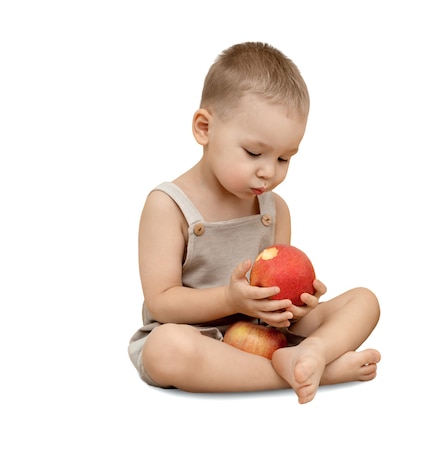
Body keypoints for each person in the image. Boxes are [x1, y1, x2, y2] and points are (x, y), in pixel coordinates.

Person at [128, 42, 381, 404]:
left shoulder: (274, 209)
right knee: (167, 348)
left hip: (262, 332)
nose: (269, 171)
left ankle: (313, 354)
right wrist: (232, 299)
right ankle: (318, 372)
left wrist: (294, 305)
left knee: (365, 300)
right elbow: (163, 303)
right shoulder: (167, 207)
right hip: (195, 338)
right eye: (253, 153)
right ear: (204, 129)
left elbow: (277, 303)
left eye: (284, 158)